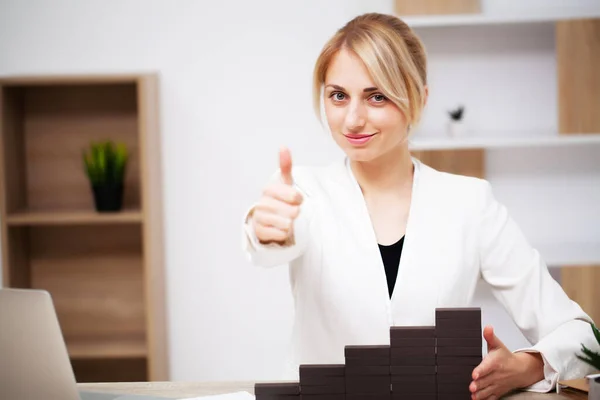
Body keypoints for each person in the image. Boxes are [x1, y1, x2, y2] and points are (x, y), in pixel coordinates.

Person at [241, 12, 598, 399]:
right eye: (338, 95)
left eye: (377, 96)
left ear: (419, 98)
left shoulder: (470, 202)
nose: (353, 119)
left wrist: (528, 365)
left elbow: (585, 339)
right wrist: (267, 231)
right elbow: (270, 241)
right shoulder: (302, 192)